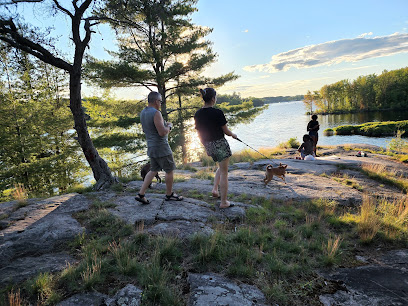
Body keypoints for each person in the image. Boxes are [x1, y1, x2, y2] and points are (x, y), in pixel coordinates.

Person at [135, 91, 183, 204]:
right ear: (156, 101)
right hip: (161, 147)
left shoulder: (143, 112)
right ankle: (169, 194)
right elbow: (162, 132)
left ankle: (141, 194)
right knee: (169, 170)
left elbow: (146, 130)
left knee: (153, 170)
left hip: (151, 146)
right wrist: (169, 127)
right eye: (160, 101)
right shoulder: (156, 113)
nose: (161, 103)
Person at [194, 88, 237, 209]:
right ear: (213, 99)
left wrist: (206, 145)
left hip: (208, 145)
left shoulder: (198, 114)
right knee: (224, 172)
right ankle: (224, 202)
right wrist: (233, 135)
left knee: (221, 166)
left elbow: (199, 133)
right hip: (220, 144)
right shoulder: (218, 112)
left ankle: (214, 190)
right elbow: (226, 131)